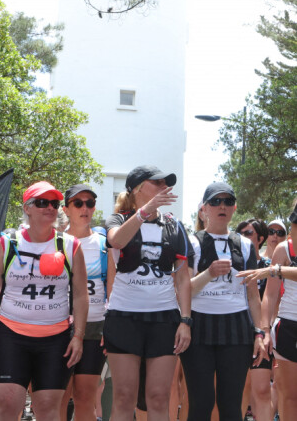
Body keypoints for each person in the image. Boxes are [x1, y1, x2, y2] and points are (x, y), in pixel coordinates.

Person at [0, 181, 88, 421]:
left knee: (47, 408)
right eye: (42, 202)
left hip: (56, 339)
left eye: (54, 204)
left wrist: (78, 336)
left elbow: (80, 294)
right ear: (27, 208)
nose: (50, 208)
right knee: (6, 404)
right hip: (10, 335)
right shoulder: (8, 243)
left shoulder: (70, 245)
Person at [103, 165, 192, 421]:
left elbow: (183, 278)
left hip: (164, 319)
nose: (165, 187)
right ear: (138, 188)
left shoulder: (175, 226)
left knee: (158, 397)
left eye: (167, 183)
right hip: (124, 317)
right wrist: (145, 211)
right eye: (158, 182)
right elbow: (117, 241)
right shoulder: (117, 219)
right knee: (123, 397)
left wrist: (185, 320)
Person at [180, 182, 266, 421]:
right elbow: (184, 290)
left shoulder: (246, 245)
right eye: (216, 201)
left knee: (231, 405)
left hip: (237, 327)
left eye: (228, 201)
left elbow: (253, 295)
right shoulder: (193, 242)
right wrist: (209, 273)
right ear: (204, 208)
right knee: (201, 403)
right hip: (199, 326)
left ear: (234, 207)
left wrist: (259, 332)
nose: (222, 206)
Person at [238, 200, 297, 421]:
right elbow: (270, 295)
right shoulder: (284, 249)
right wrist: (264, 330)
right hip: (288, 326)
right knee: (288, 396)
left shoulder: (275, 264)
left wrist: (275, 269)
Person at [59, 184, 107, 421]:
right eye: (78, 203)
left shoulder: (103, 244)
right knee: (58, 395)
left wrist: (111, 326)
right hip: (58, 325)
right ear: (66, 209)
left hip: (94, 326)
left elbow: (113, 288)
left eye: (89, 203)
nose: (85, 208)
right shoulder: (56, 242)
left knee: (85, 396)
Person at [235, 219, 272, 421]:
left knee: (262, 390)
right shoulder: (232, 263)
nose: (243, 236)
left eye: (248, 232)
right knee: (240, 390)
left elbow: (271, 300)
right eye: (239, 232)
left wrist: (265, 331)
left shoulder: (269, 266)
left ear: (260, 238)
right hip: (237, 332)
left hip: (261, 333)